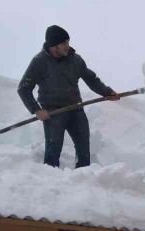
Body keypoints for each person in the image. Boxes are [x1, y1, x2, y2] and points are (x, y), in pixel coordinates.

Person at [17, 25, 119, 168]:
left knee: (83, 148)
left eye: (68, 42)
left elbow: (91, 79)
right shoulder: (39, 62)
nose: (67, 46)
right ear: (53, 46)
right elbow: (23, 88)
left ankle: (83, 178)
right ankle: (51, 181)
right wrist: (36, 110)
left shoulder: (75, 60)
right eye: (63, 43)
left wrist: (107, 92)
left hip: (76, 108)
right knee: (53, 151)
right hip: (53, 112)